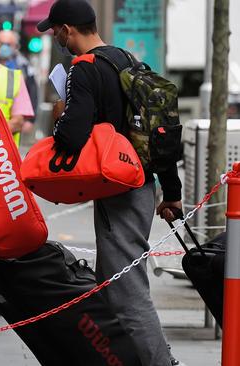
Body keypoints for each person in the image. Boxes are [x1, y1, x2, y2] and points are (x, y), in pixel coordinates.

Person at [37, 1, 184, 365]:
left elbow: (71, 136)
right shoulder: (126, 60)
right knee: (112, 281)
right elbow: (158, 131)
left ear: (68, 29)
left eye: (55, 31)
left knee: (127, 292)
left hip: (116, 188)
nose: (56, 37)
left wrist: (60, 116)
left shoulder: (83, 69)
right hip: (140, 184)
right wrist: (173, 192)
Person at [0, 30, 39, 122]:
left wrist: (31, 121)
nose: (4, 47)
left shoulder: (24, 65)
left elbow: (32, 91)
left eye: (8, 44)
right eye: (1, 43)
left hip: (15, 118)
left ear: (15, 46)